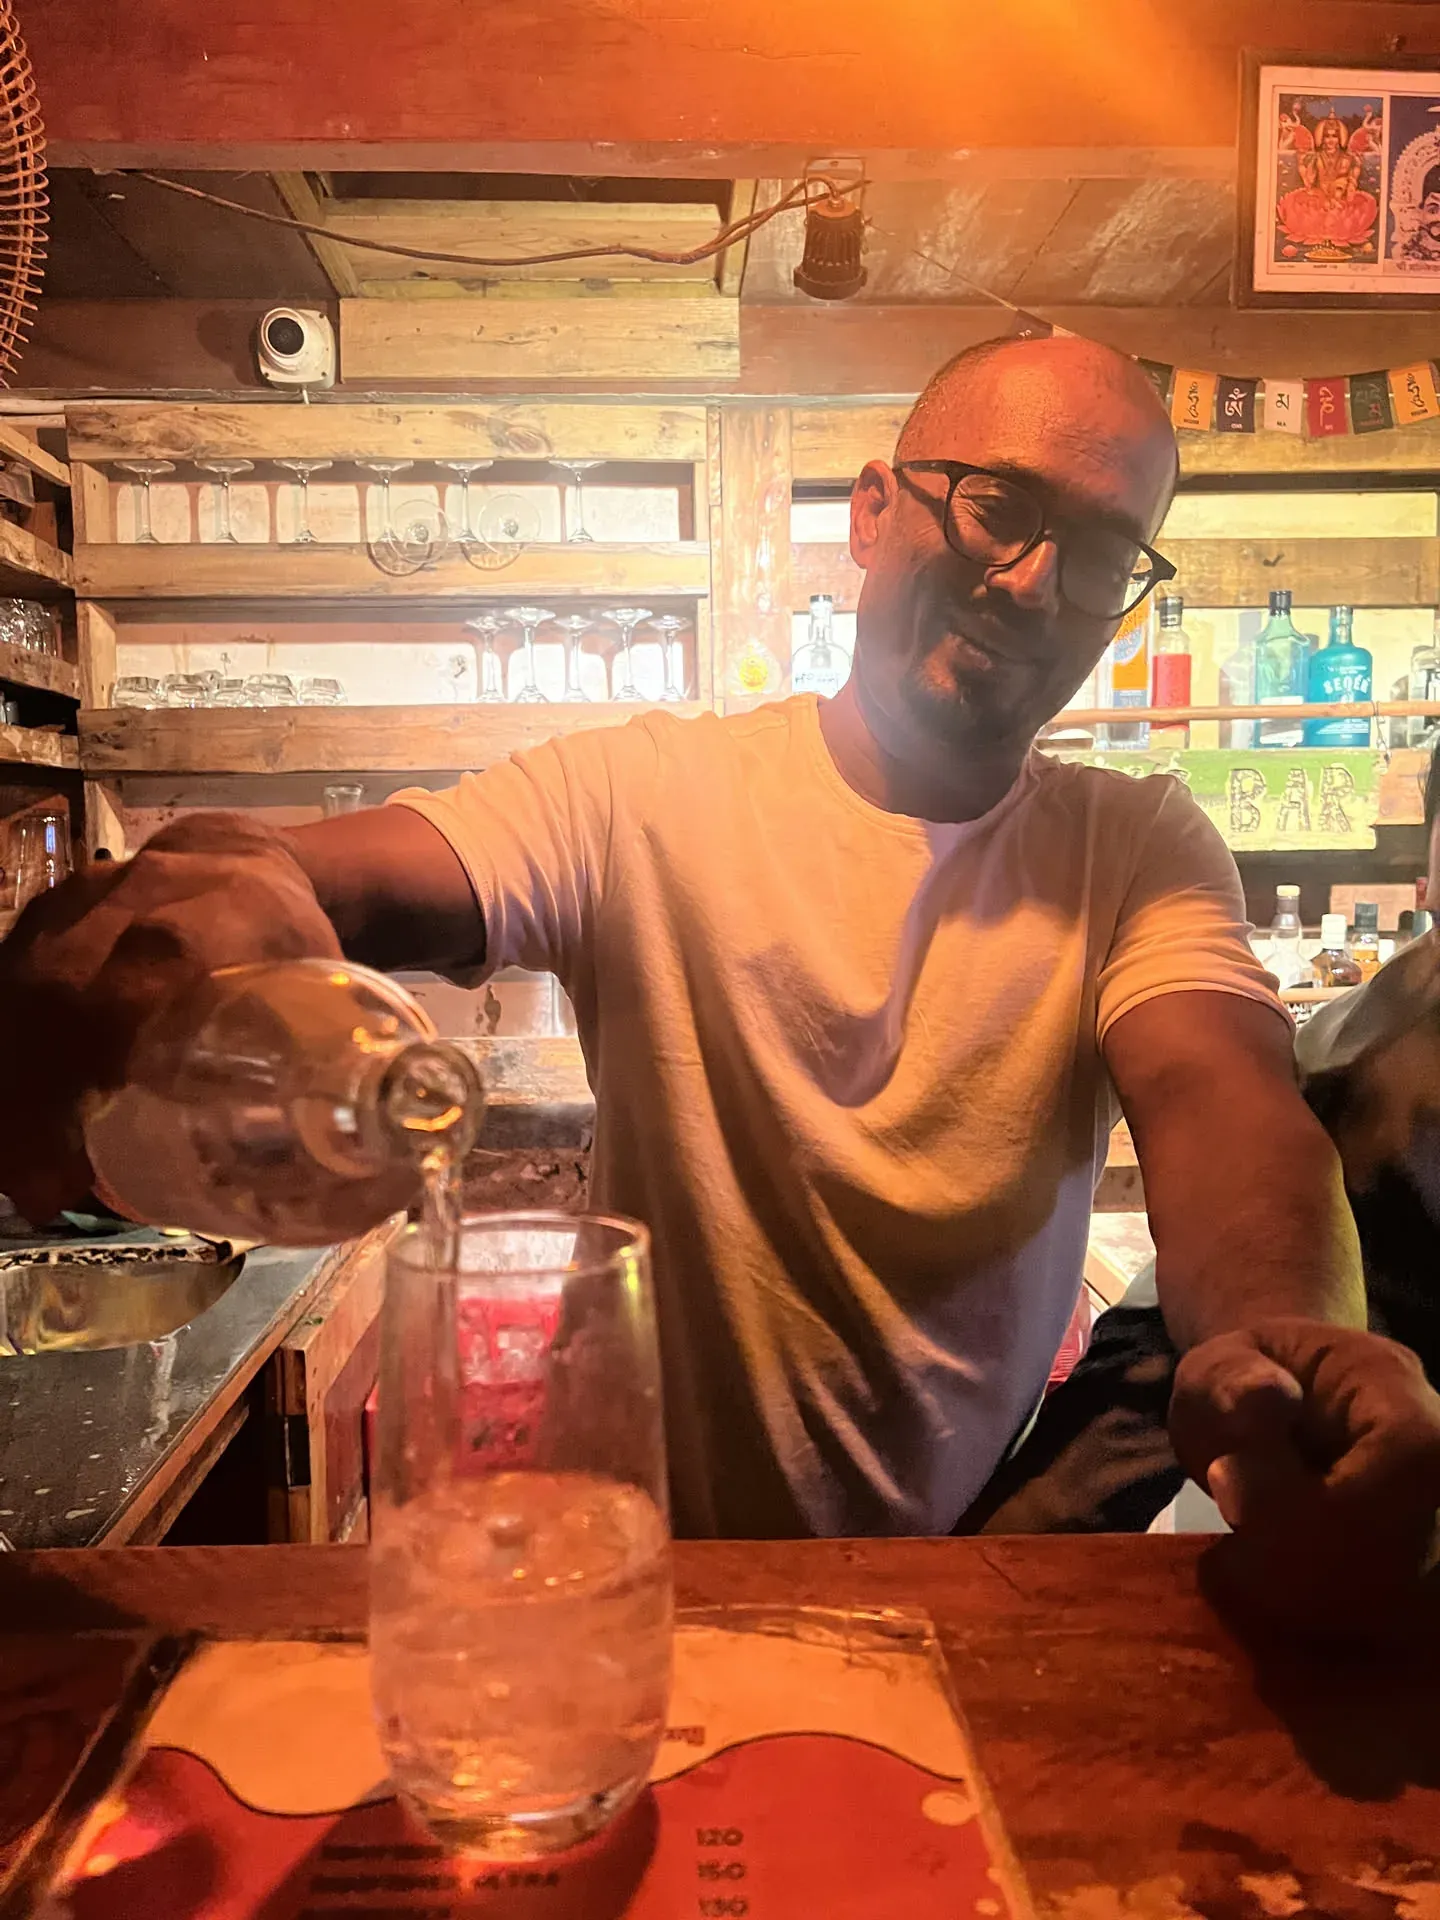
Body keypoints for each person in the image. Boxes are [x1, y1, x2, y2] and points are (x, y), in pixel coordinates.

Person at [3, 337, 1438, 1619]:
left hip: (958, 1584)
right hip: (643, 1583)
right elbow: (349, 875)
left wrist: (1287, 1339)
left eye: (1107, 555)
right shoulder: (646, 797)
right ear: (876, 511)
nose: (1037, 585)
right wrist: (216, 895)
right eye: (1002, 508)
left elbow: (1228, 1099)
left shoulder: (1134, 845)